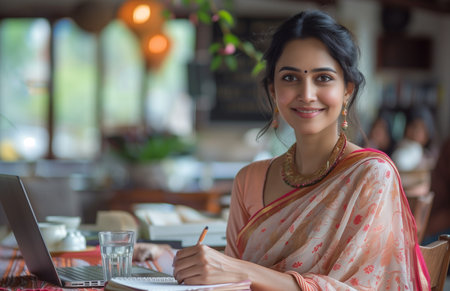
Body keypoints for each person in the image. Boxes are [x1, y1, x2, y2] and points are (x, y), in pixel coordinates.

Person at [161, 10, 429, 290]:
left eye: (323, 78)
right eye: (290, 78)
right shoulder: (249, 180)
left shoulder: (370, 175)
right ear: (273, 91)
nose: (307, 94)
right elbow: (227, 284)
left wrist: (240, 269)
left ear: (347, 90)